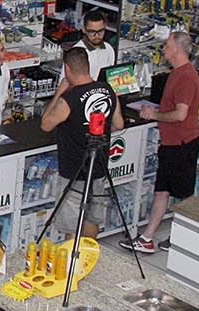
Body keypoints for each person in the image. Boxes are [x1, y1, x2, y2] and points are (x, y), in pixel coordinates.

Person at [122, 32, 199, 254]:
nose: (164, 49)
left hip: (181, 145)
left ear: (177, 49)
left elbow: (180, 115)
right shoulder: (178, 73)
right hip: (171, 144)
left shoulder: (185, 77)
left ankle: (184, 239)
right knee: (162, 191)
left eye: (167, 45)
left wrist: (154, 115)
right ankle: (147, 238)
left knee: (185, 196)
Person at [40, 46, 125, 239]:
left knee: (72, 224)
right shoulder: (108, 89)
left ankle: (72, 263)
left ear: (67, 70)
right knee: (92, 219)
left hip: (73, 169)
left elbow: (46, 124)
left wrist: (59, 93)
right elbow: (119, 124)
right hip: (99, 165)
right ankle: (88, 259)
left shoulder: (68, 99)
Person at [79, 11, 116, 79]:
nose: (97, 36)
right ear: (84, 29)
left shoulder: (109, 49)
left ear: (105, 27)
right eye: (92, 32)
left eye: (100, 31)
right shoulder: (76, 53)